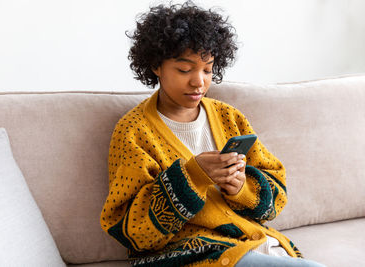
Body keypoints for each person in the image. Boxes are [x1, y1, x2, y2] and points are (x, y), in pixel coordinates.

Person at [100, 1, 326, 266]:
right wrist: (193, 176)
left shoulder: (228, 117)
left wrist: (241, 188)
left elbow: (277, 192)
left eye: (207, 69)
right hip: (187, 255)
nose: (199, 82)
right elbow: (132, 229)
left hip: (252, 245)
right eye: (184, 70)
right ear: (155, 65)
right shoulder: (134, 132)